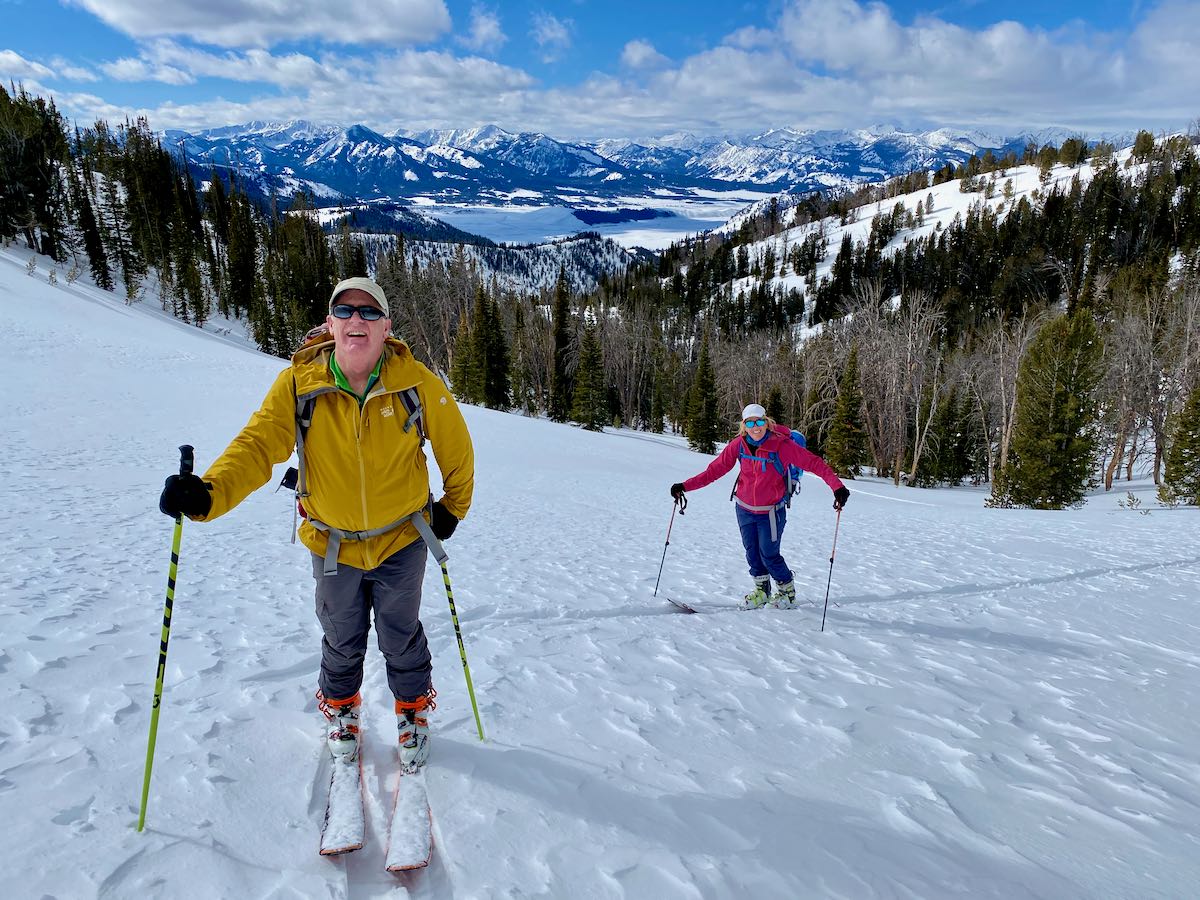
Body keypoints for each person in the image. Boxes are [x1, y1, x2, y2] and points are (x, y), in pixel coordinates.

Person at [158, 276, 474, 770]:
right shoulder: (298, 385)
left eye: (370, 312)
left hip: (403, 539)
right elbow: (258, 446)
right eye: (344, 311)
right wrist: (208, 495)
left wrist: (452, 508)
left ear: (386, 326)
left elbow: (457, 448)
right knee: (341, 634)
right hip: (331, 542)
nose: (356, 320)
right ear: (329, 324)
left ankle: (412, 711)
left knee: (400, 630)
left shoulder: (416, 383)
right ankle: (343, 709)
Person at [670, 403, 849, 609]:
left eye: (760, 421)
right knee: (752, 553)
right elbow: (713, 471)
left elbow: (815, 463)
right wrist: (685, 486)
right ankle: (762, 591)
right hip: (744, 509)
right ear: (744, 425)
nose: (756, 427)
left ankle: (787, 592)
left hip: (771, 512)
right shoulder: (738, 445)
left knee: (769, 554)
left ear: (767, 422)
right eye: (751, 423)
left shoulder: (782, 446)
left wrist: (837, 487)